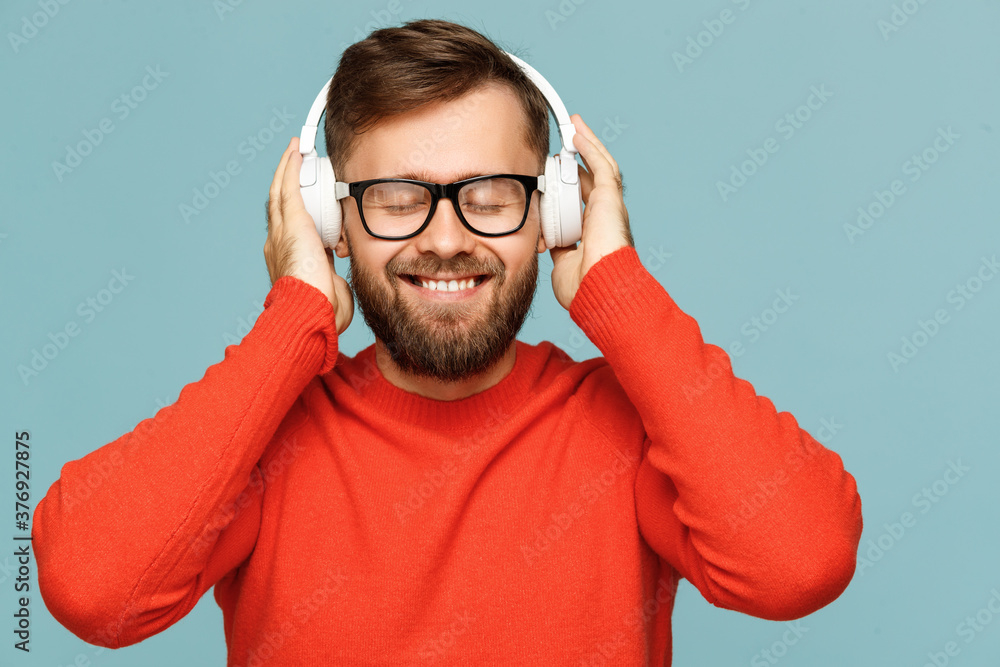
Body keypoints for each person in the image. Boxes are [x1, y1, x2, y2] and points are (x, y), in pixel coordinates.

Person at [33, 18, 863, 666]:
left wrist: (619, 290)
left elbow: (801, 562)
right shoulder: (265, 436)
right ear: (331, 221)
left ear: (555, 215)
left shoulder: (632, 428)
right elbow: (93, 591)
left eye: (490, 194)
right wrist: (292, 317)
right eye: (396, 197)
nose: (444, 238)